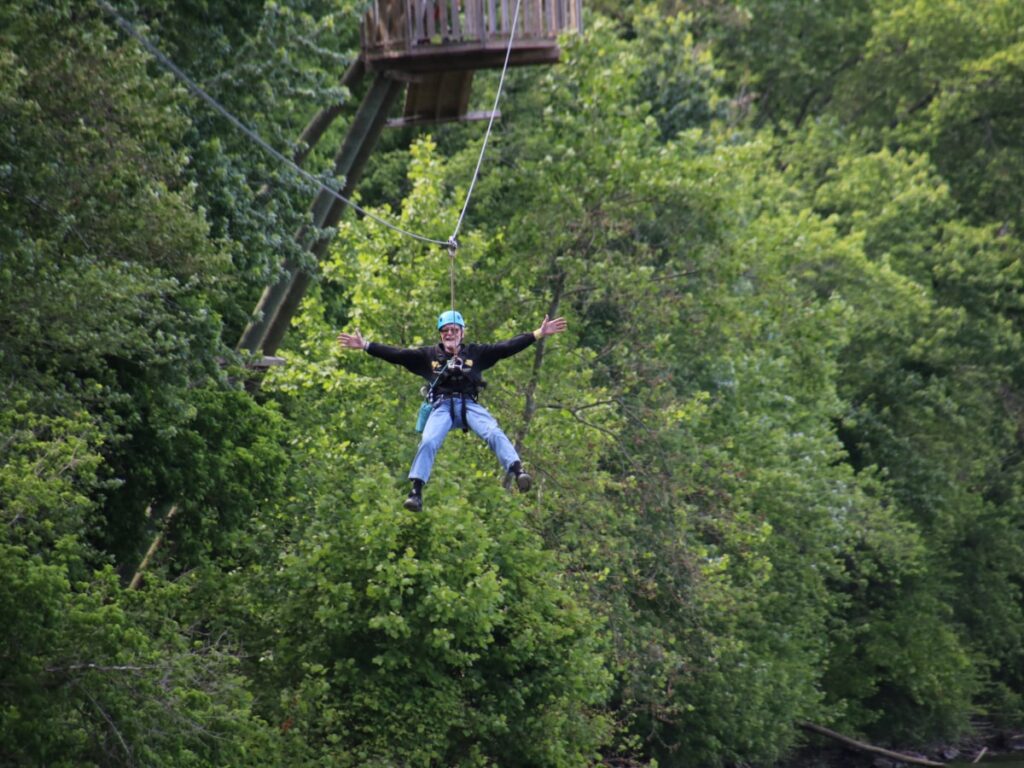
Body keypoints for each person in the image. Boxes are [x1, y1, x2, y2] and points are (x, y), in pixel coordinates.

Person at [337, 310, 568, 511]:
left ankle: (518, 471)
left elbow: (506, 347)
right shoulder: (427, 357)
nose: (450, 334)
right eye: (445, 330)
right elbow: (397, 355)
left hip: (469, 405)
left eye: (454, 330)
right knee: (428, 441)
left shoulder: (476, 354)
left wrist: (537, 333)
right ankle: (416, 493)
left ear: (462, 333)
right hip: (442, 406)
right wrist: (367, 346)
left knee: (493, 432)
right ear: (440, 334)